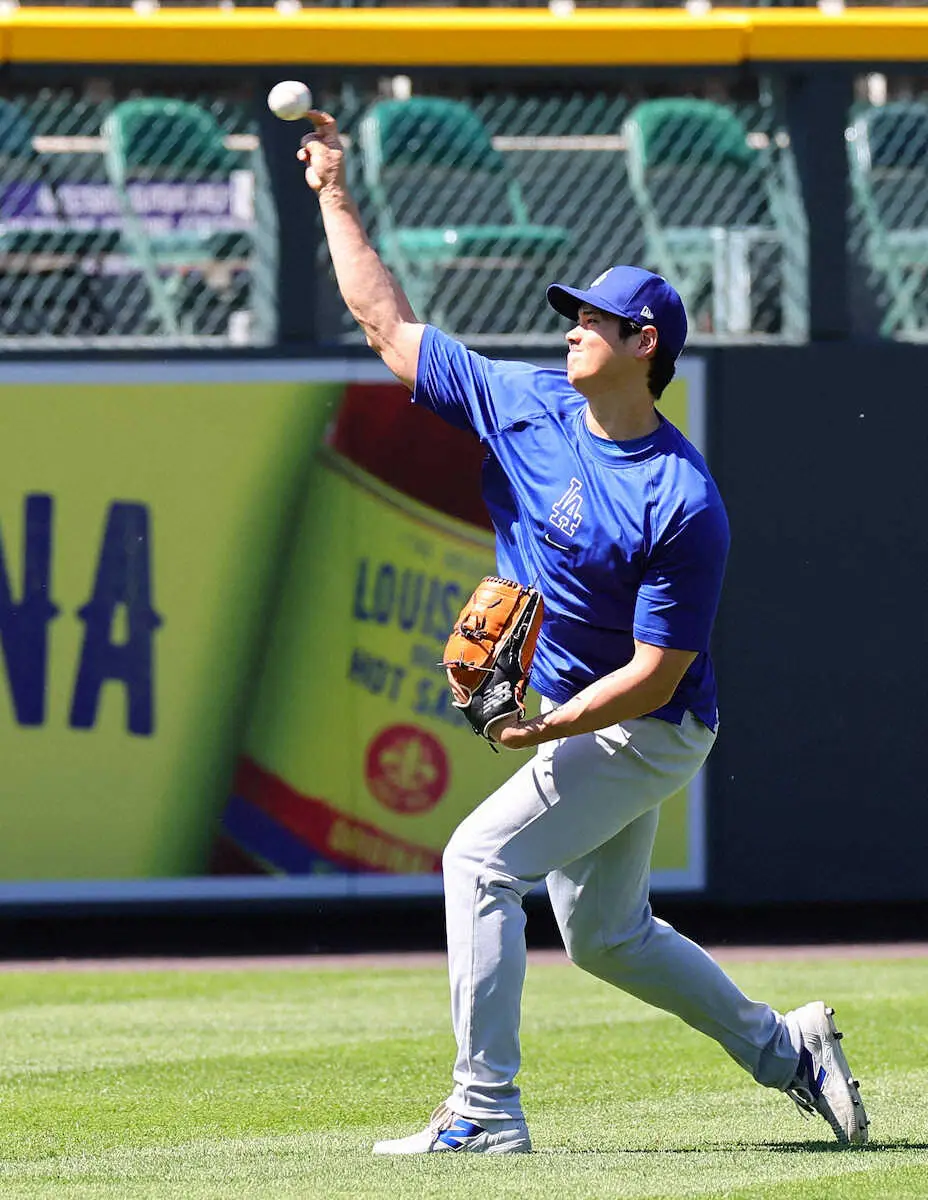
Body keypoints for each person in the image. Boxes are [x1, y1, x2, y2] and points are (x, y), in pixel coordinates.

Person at [297, 109, 869, 1155]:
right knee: (608, 937)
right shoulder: (526, 403)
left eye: (590, 319)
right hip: (584, 717)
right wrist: (333, 191)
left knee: (476, 863)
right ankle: (791, 1053)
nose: (568, 327)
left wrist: (546, 728)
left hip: (641, 727)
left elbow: (656, 677)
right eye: (570, 314)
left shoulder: (680, 502)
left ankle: (484, 1109)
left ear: (642, 344)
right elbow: (386, 327)